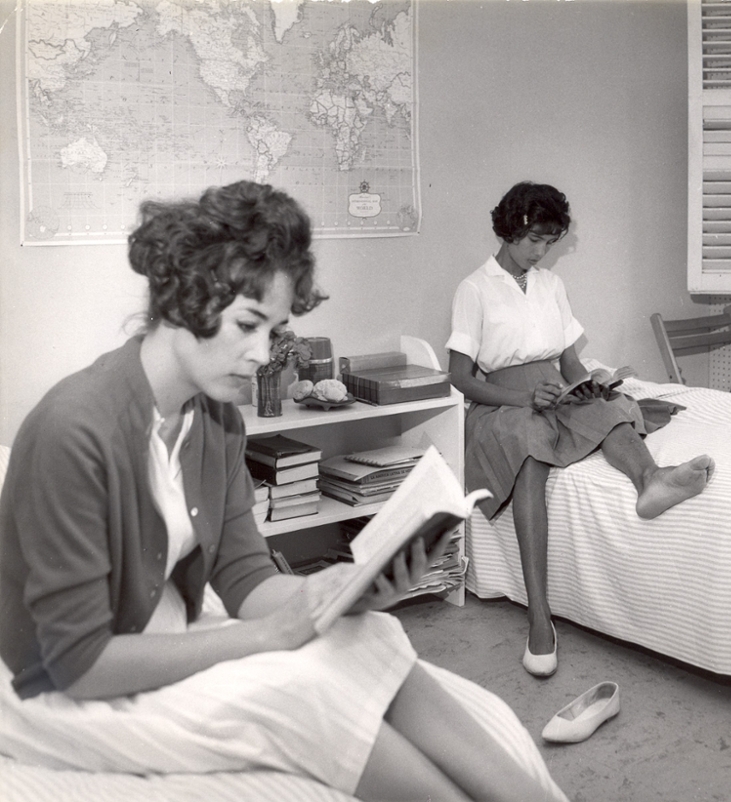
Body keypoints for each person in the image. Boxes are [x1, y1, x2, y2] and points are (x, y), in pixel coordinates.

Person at [0, 181, 565, 802]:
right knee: (300, 697)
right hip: (56, 688)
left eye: (272, 330)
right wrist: (270, 636)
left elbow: (244, 580)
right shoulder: (74, 430)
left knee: (372, 635)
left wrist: (336, 592)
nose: (261, 355)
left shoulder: (213, 421)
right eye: (248, 325)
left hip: (156, 634)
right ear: (184, 296)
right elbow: (79, 663)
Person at [447, 181, 715, 677]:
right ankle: (539, 617)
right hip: (503, 403)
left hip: (554, 391)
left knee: (611, 409)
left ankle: (651, 481)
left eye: (550, 242)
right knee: (530, 453)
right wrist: (524, 396)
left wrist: (588, 385)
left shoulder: (550, 285)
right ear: (511, 230)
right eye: (535, 241)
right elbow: (461, 378)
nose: (541, 252)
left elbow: (569, 361)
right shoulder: (475, 288)